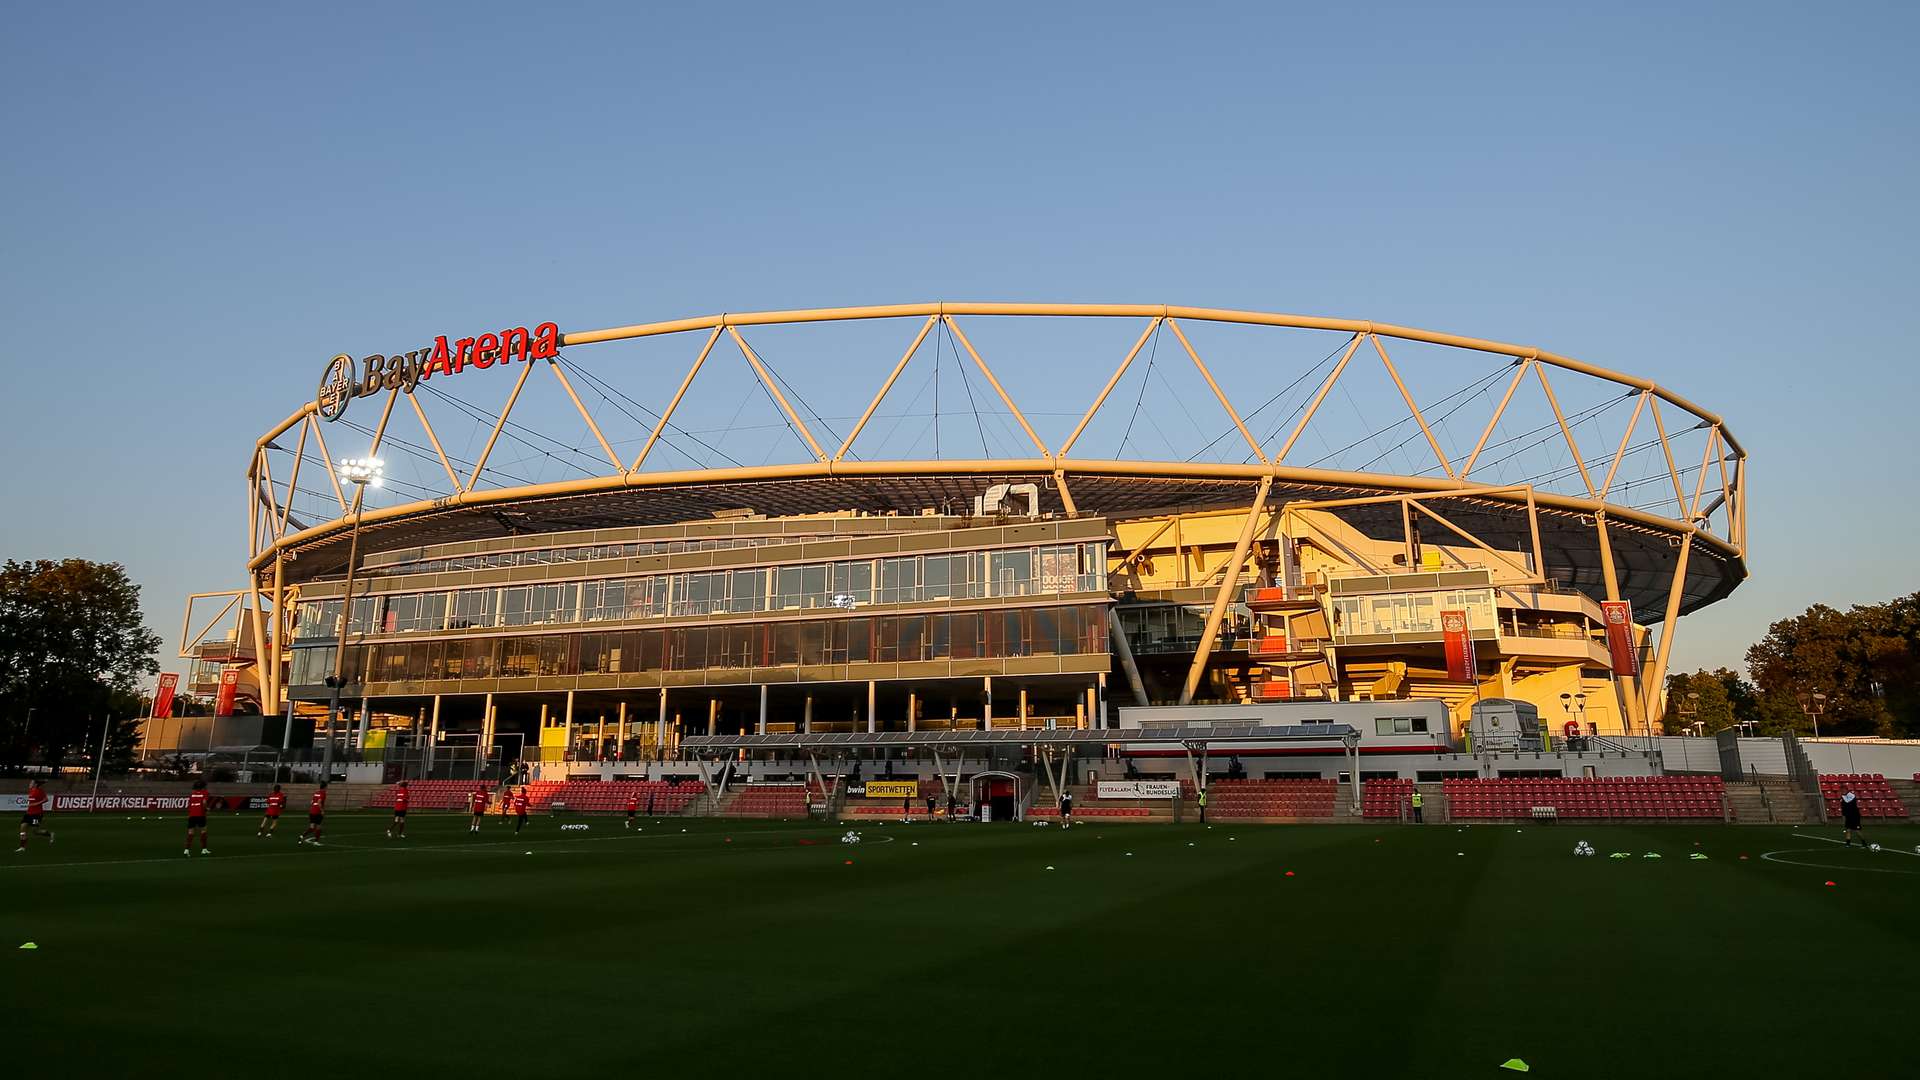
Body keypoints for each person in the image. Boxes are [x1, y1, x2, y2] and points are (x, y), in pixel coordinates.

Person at [16, 779, 52, 853]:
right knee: (22, 828)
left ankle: (50, 834)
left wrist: (37, 803)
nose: (30, 784)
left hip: (37, 814)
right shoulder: (31, 790)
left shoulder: (39, 791)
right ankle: (22, 847)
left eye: (31, 783)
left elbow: (46, 799)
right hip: (28, 813)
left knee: (35, 831)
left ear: (35, 784)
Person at [184, 779, 212, 857]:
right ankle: (204, 849)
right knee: (203, 832)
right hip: (200, 815)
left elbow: (189, 804)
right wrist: (206, 809)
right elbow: (204, 802)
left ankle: (186, 850)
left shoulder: (192, 794)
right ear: (203, 787)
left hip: (192, 815)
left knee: (190, 833)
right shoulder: (205, 793)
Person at [299, 781, 328, 845]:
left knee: (312, 827)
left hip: (312, 811)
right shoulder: (323, 793)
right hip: (318, 812)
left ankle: (302, 836)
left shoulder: (316, 793)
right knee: (318, 827)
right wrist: (322, 810)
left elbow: (311, 802)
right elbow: (319, 802)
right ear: (325, 787)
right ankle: (316, 842)